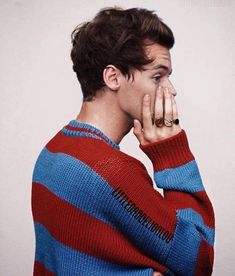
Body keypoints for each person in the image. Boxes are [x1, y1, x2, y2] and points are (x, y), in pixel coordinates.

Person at [31, 6, 215, 276]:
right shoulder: (112, 171)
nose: (171, 90)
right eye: (157, 76)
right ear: (113, 77)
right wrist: (171, 154)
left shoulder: (53, 150)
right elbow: (197, 261)